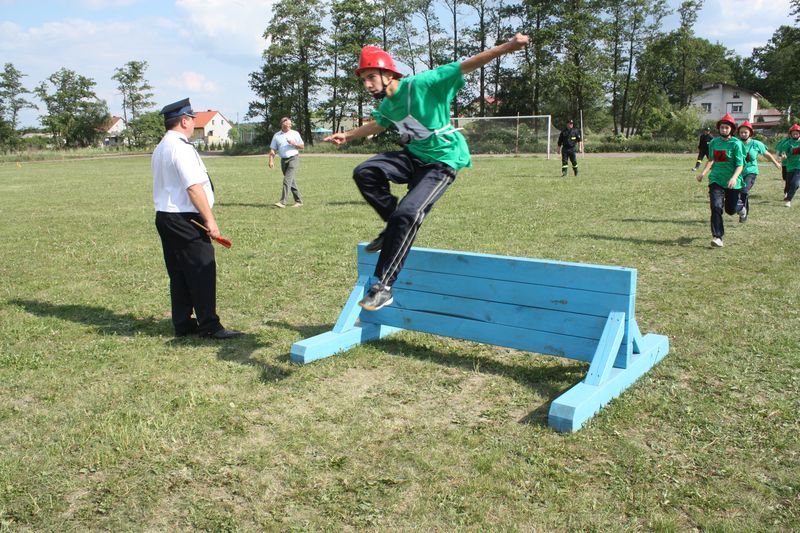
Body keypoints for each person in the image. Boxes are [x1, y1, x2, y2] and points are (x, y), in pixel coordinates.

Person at [325, 33, 529, 311]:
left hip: (442, 160)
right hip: (413, 157)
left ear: (388, 74)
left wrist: (509, 47)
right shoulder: (386, 105)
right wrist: (347, 136)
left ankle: (383, 286)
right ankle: (391, 228)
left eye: (371, 77)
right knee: (366, 171)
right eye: (363, 80)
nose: (367, 84)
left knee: (408, 214)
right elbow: (379, 124)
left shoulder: (424, 84)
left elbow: (468, 64)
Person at [152, 98, 243, 339]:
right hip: (185, 219)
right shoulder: (180, 147)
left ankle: (183, 323)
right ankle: (209, 326)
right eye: (192, 119)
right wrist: (210, 221)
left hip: (166, 216)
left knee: (179, 273)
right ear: (184, 121)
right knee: (202, 269)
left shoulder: (162, 146)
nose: (194, 123)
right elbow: (194, 187)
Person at [695, 113, 745, 248]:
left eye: (726, 128)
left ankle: (740, 206)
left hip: (732, 182)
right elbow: (711, 159)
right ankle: (717, 237)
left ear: (732, 129)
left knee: (730, 210)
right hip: (716, 179)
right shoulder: (714, 143)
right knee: (716, 207)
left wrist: (734, 178)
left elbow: (740, 164)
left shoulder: (736, 144)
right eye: (722, 128)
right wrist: (703, 173)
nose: (724, 130)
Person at [736, 120, 781, 221]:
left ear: (750, 133)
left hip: (750, 172)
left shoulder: (756, 144)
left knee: (744, 190)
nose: (743, 134)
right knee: (738, 192)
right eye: (741, 132)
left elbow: (767, 154)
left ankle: (742, 213)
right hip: (737, 173)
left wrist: (776, 163)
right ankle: (743, 211)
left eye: (745, 132)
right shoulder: (736, 143)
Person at [269, 117, 304, 208]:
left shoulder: (295, 133)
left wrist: (294, 143)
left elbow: (302, 146)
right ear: (283, 124)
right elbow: (273, 149)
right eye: (288, 124)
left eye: (290, 124)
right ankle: (299, 201)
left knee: (287, 180)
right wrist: (271, 160)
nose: (290, 125)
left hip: (293, 159)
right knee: (290, 181)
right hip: (283, 161)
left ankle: (282, 202)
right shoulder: (276, 135)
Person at [781, 123, 800, 207]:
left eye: (797, 133)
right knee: (789, 183)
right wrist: (784, 156)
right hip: (790, 166)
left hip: (799, 167)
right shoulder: (788, 144)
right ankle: (787, 193)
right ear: (791, 134)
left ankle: (788, 199)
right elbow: (784, 153)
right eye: (793, 134)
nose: (795, 135)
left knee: (795, 183)